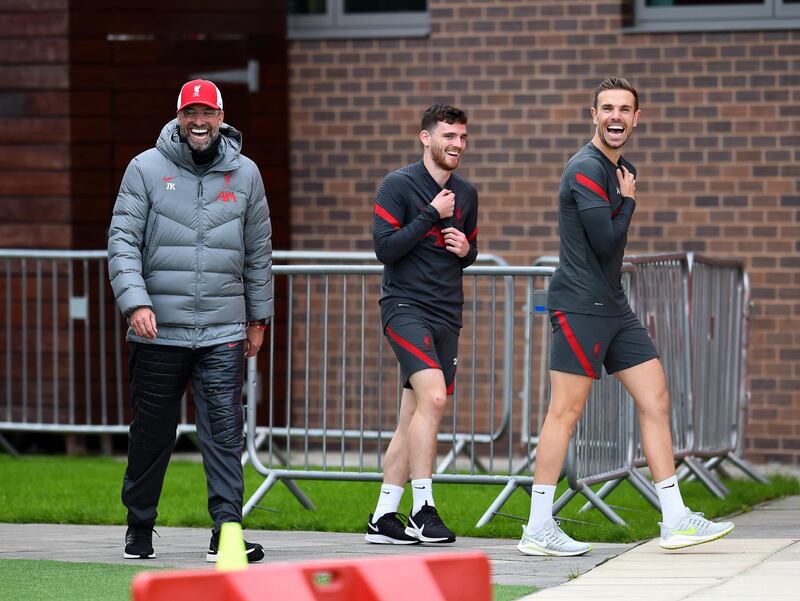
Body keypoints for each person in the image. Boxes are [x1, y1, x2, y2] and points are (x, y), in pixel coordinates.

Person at [519, 77, 734, 556]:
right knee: (565, 412)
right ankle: (537, 526)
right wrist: (631, 201)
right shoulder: (585, 169)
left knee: (656, 396)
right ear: (592, 115)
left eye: (625, 109)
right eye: (607, 108)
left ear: (637, 118)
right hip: (579, 307)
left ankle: (675, 518)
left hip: (613, 306)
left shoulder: (620, 168)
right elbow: (604, 241)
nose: (615, 117)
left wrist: (627, 195)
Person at [108, 79, 272, 562]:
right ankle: (139, 525)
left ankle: (227, 532)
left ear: (222, 118)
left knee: (225, 432)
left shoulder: (246, 174)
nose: (199, 122)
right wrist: (136, 304)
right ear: (178, 118)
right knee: (152, 434)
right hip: (159, 331)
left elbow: (259, 253)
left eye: (208, 113)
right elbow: (122, 243)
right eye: (190, 113)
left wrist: (258, 318)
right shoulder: (145, 169)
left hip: (222, 331)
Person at [366, 104, 478, 545]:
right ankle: (422, 509)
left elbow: (467, 252)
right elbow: (385, 248)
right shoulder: (398, 185)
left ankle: (382, 518)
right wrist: (431, 214)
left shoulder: (466, 194)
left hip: (447, 312)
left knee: (412, 414)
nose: (456, 144)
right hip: (404, 307)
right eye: (448, 135)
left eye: (463, 137)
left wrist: (466, 249)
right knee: (433, 398)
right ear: (426, 138)